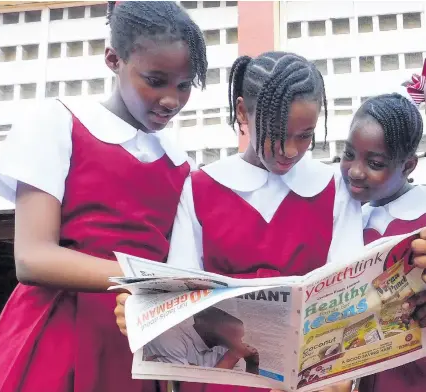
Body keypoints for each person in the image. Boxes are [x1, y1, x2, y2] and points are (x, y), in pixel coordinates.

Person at [0, 2, 207, 392]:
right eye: (155, 79)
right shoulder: (58, 121)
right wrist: (148, 280)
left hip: (130, 345)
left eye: (184, 85)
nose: (171, 99)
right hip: (56, 335)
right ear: (113, 59)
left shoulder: (181, 165)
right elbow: (32, 257)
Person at [118, 51, 363, 392]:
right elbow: (181, 294)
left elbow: (350, 298)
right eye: (277, 133)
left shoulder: (335, 188)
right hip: (221, 379)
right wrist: (145, 313)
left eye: (305, 135)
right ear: (244, 112)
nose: (290, 150)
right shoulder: (201, 187)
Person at [340, 93, 426, 392]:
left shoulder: (422, 216)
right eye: (348, 153)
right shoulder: (344, 214)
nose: (355, 171)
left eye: (375, 163)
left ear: (408, 166)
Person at [144, 307, 259, 374]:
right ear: (200, 319)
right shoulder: (169, 338)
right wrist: (229, 359)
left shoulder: (226, 347)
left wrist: (252, 365)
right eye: (225, 317)